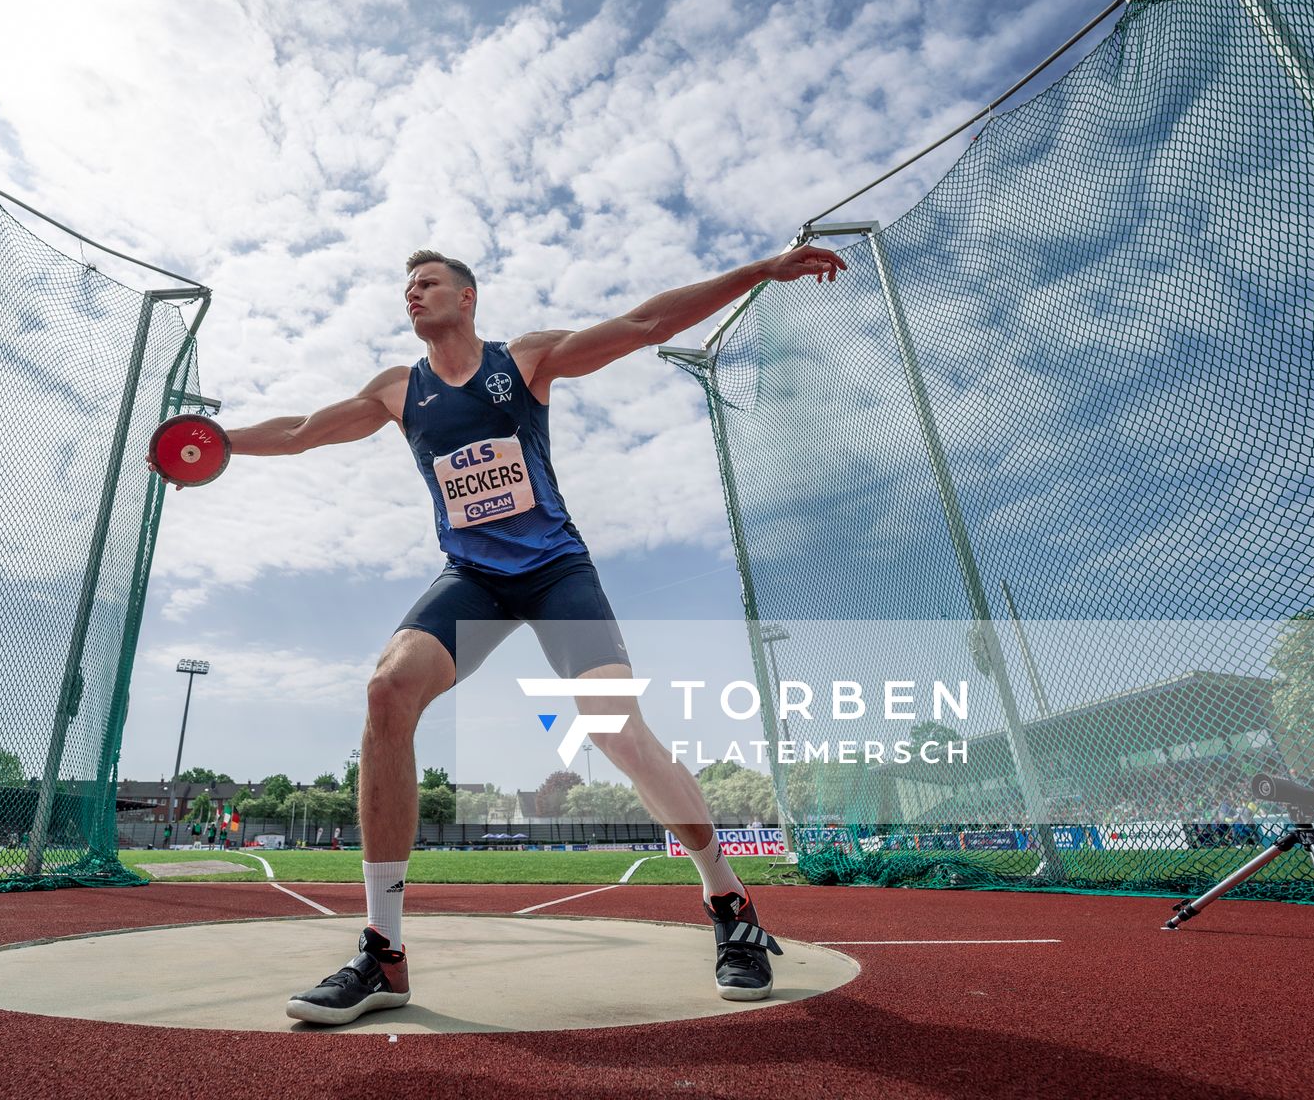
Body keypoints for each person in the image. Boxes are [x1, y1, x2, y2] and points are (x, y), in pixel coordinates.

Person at [183, 242, 845, 1024]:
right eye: (407, 286)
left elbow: (641, 322)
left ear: (467, 298)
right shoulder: (399, 391)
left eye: (427, 283)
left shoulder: (524, 362)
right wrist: (222, 442)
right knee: (387, 691)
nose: (412, 293)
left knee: (616, 731)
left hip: (556, 572)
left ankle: (728, 901)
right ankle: (384, 952)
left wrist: (756, 272)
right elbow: (301, 429)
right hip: (474, 580)